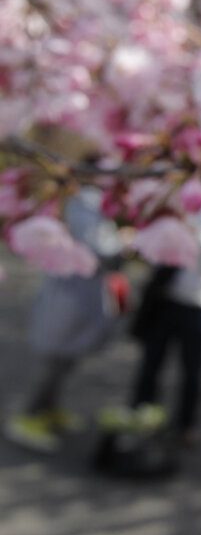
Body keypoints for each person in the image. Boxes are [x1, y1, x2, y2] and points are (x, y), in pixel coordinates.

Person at [4, 188, 122, 453]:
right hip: (67, 297)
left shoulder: (94, 201)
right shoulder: (82, 203)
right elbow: (98, 247)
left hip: (83, 294)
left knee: (67, 359)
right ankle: (28, 417)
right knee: (53, 360)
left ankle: (50, 410)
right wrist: (120, 247)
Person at [130, 204, 201, 445]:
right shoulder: (192, 205)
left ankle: (186, 425)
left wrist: (197, 232)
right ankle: (141, 414)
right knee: (151, 361)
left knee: (192, 369)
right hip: (167, 297)